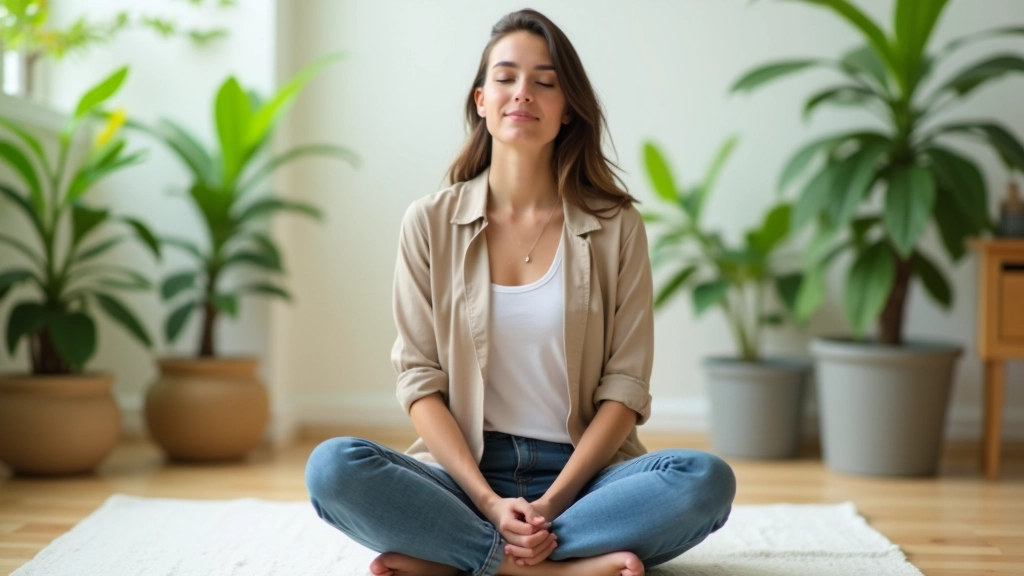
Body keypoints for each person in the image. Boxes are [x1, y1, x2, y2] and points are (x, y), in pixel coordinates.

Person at [305, 8, 735, 576]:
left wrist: (551, 504)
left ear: (568, 107)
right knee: (333, 467)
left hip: (585, 480)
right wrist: (488, 501)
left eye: (545, 82)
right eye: (506, 77)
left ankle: (464, 556)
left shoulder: (616, 226)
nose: (523, 92)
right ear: (481, 101)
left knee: (705, 480)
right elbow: (420, 382)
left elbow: (626, 389)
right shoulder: (429, 222)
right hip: (463, 477)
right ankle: (554, 567)